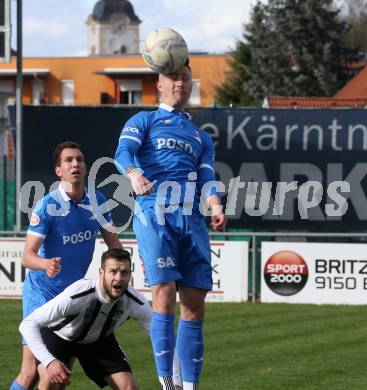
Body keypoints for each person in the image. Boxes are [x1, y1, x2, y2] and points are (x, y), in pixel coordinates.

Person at [115, 60, 227, 390]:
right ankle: (169, 385)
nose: (180, 83)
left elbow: (207, 175)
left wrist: (215, 204)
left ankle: (189, 387)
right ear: (159, 85)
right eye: (173, 78)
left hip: (192, 219)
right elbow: (124, 151)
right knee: (163, 295)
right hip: (155, 212)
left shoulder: (201, 137)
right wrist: (133, 173)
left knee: (194, 305)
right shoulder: (144, 120)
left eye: (185, 78)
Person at [11, 142, 122, 390]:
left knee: (61, 375)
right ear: (58, 170)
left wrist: (124, 268)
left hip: (73, 297)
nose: (75, 164)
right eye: (69, 160)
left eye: (80, 159)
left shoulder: (98, 200)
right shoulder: (46, 206)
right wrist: (45, 264)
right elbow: (27, 256)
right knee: (30, 372)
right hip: (41, 295)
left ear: (86, 166)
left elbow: (113, 244)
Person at [18, 248, 149, 390]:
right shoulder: (78, 293)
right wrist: (49, 361)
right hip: (59, 336)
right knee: (50, 381)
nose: (118, 278)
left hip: (98, 341)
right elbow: (28, 324)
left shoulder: (135, 301)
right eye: (113, 271)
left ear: (130, 275)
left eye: (124, 272)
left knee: (129, 387)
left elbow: (160, 335)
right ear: (101, 273)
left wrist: (174, 381)